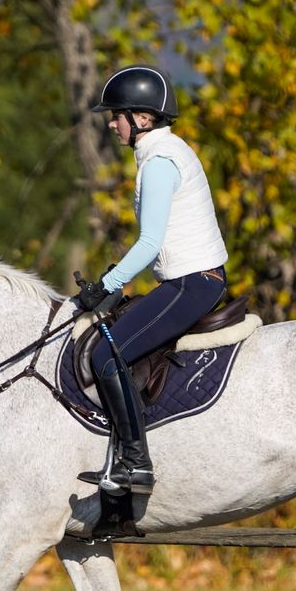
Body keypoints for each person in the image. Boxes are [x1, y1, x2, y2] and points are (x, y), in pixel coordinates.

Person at [74, 64, 229, 496]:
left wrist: (107, 286)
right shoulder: (162, 152)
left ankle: (136, 464)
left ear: (142, 118)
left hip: (191, 283)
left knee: (106, 355)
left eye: (117, 114)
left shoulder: (160, 161)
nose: (111, 122)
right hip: (188, 279)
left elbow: (149, 243)